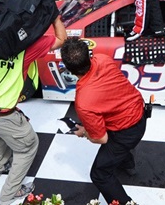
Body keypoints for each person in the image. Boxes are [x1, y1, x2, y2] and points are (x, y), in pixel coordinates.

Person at [0, 12, 68, 205]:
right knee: (28, 146)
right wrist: (54, 16)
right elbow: (61, 39)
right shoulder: (28, 48)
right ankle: (9, 194)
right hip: (1, 114)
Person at [61, 38, 146, 204]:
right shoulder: (103, 59)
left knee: (99, 174)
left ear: (69, 69)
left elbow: (101, 139)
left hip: (126, 131)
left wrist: (84, 132)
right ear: (89, 55)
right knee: (117, 147)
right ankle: (129, 166)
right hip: (140, 112)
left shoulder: (84, 102)